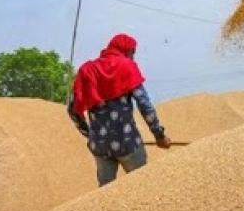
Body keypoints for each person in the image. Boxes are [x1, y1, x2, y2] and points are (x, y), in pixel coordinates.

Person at [68, 34, 171, 187]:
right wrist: (159, 135)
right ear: (125, 50)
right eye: (132, 52)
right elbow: (145, 105)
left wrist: (90, 134)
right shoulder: (127, 66)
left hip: (100, 146)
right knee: (143, 187)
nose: (133, 57)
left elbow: (73, 110)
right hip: (127, 142)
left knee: (104, 193)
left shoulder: (87, 70)